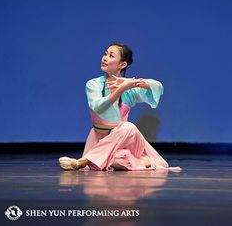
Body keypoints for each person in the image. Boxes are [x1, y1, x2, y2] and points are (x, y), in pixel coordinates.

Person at [59, 42, 181, 171]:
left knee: (128, 126)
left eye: (111, 56)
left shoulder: (129, 88)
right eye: (105, 54)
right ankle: (145, 162)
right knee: (118, 158)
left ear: (122, 64)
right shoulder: (93, 84)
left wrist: (133, 83)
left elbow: (158, 87)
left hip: (127, 138)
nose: (105, 58)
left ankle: (84, 161)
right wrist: (120, 89)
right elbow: (98, 107)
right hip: (100, 139)